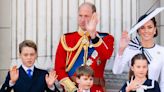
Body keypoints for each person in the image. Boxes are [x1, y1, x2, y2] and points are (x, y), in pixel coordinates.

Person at [55, 2, 114, 92]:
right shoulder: (66, 39)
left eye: (86, 16)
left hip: (95, 89)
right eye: (80, 16)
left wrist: (93, 36)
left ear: (94, 17)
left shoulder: (106, 39)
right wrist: (73, 89)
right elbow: (59, 69)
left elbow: (106, 55)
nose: (82, 19)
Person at [112, 14, 164, 91]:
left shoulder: (162, 51)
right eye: (142, 27)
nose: (146, 31)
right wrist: (121, 49)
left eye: (149, 27)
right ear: (138, 31)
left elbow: (163, 82)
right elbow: (116, 71)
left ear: (155, 30)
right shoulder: (131, 49)